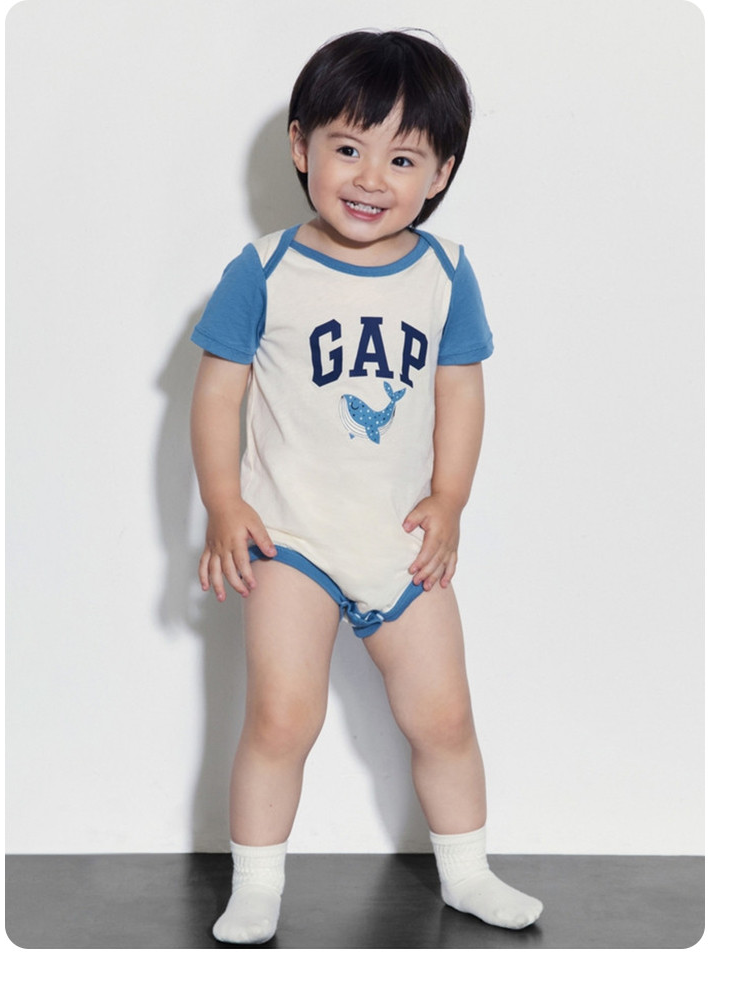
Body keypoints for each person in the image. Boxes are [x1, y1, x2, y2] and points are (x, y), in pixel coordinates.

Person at [190, 28, 543, 945]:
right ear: (301, 146)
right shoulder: (265, 269)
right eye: (348, 148)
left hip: (399, 541)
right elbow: (218, 392)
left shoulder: (446, 273)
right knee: (281, 717)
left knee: (445, 715)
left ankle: (467, 872)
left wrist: (451, 499)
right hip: (291, 539)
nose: (371, 177)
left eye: (403, 158)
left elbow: (461, 390)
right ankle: (257, 885)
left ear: (441, 172)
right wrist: (225, 504)